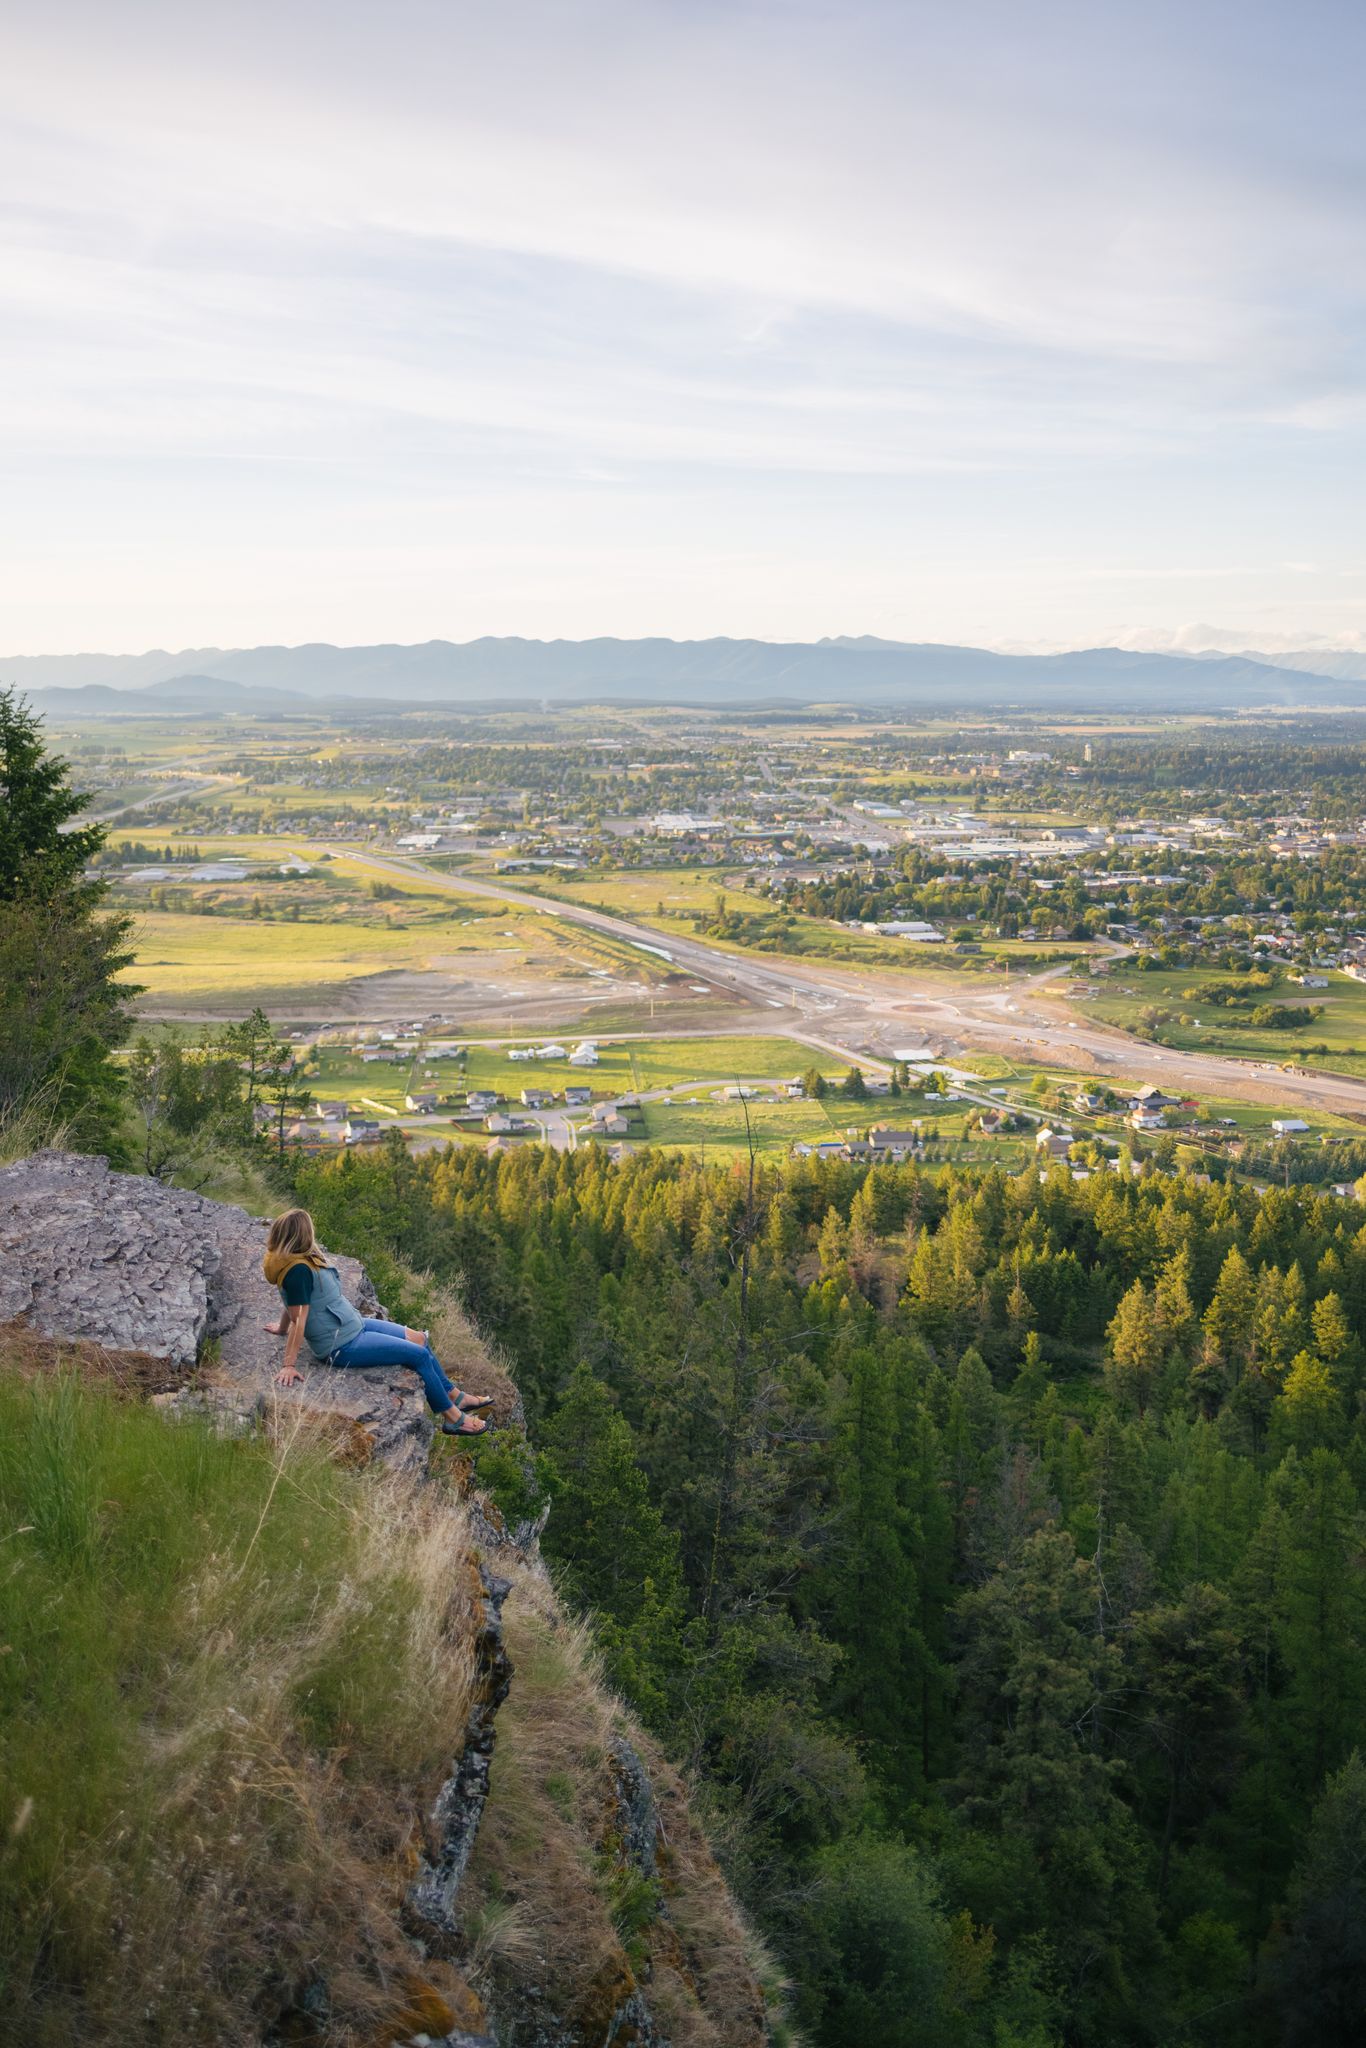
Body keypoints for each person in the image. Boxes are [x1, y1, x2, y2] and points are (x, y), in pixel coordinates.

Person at [262, 1207, 491, 1436]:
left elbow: (294, 1301)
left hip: (352, 1325)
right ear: (303, 1235)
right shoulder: (298, 1270)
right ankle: (453, 1419)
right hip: (340, 1344)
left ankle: (455, 1396)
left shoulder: (298, 1260)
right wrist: (288, 1365)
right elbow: (299, 1317)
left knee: (419, 1339)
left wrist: (281, 1328)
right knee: (419, 1355)